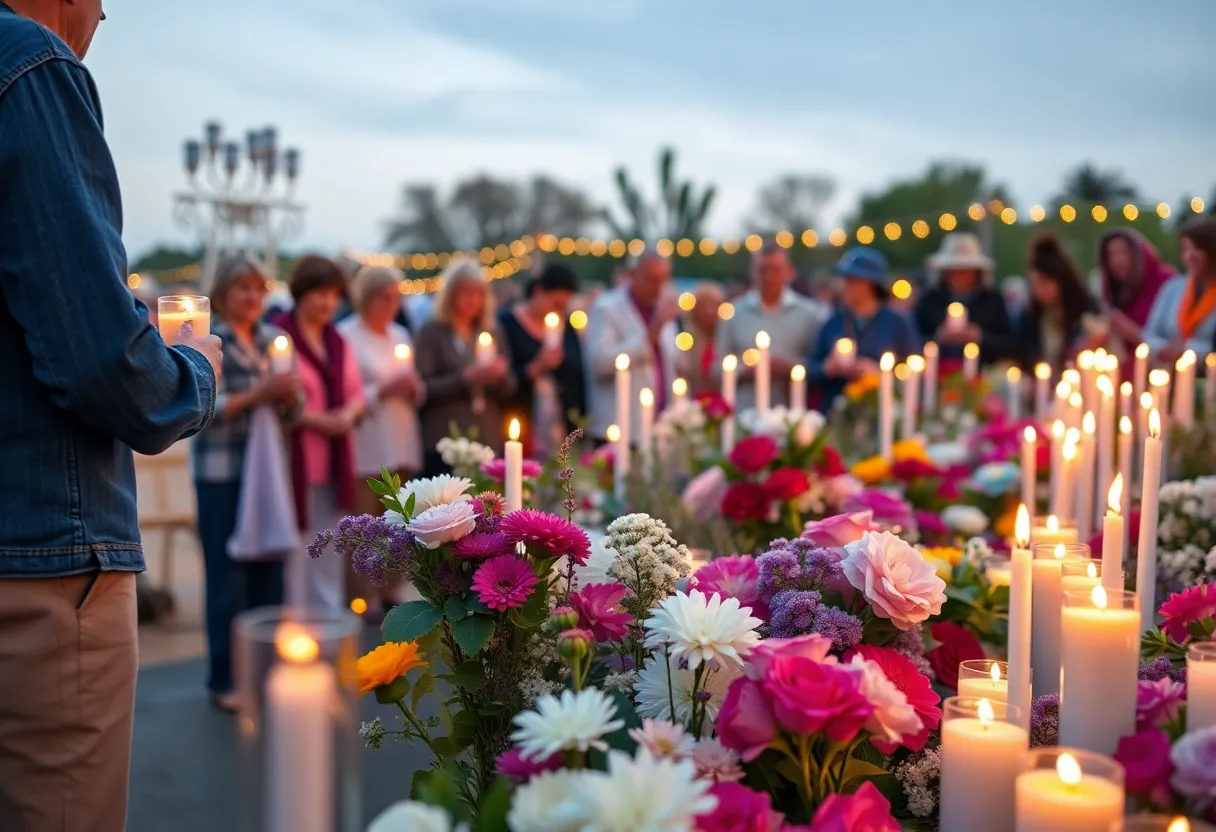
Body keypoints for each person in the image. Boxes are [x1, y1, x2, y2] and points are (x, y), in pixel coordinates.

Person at [0, 3, 221, 829]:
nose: (101, 13)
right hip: (40, 563)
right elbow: (107, 368)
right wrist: (195, 370)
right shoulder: (30, 68)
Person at [192, 257, 300, 712]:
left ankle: (266, 670)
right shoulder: (204, 340)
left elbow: (293, 414)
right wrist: (259, 395)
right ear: (223, 293)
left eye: (258, 288)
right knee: (227, 576)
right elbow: (198, 409)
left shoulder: (276, 340)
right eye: (242, 288)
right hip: (223, 472)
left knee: (270, 571)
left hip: (270, 473)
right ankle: (225, 677)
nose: (252, 297)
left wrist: (291, 399)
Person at [273, 256, 367, 610]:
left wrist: (348, 413)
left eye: (334, 295)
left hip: (336, 458)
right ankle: (295, 626)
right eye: (320, 294)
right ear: (301, 293)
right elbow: (277, 399)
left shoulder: (339, 341)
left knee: (329, 547)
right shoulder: (279, 336)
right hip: (294, 459)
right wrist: (314, 420)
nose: (328, 303)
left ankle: (327, 626)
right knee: (296, 551)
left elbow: (357, 391)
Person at [338, 266, 425, 619]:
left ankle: (391, 590)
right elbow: (348, 394)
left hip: (401, 437)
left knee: (395, 521)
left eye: (396, 297)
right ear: (366, 297)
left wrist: (416, 389)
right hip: (366, 439)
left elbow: (417, 387)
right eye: (383, 297)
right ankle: (361, 596)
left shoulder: (401, 335)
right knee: (363, 519)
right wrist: (381, 391)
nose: (391, 304)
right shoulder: (347, 336)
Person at [415, 261, 515, 472]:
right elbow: (422, 389)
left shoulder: (492, 331)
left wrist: (501, 374)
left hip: (485, 434)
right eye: (465, 293)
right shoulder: (432, 333)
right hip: (445, 437)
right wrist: (465, 379)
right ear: (450, 295)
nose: (472, 301)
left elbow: (509, 388)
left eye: (478, 294)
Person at [714, 243, 827, 409]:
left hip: (792, 414)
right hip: (745, 411)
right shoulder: (733, 312)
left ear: (789, 272)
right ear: (753, 272)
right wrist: (743, 372)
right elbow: (717, 367)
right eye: (762, 270)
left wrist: (790, 367)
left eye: (775, 270)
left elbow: (819, 365)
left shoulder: (809, 314)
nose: (769, 277)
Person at [584, 248, 679, 444]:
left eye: (663, 279)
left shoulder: (661, 308)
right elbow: (599, 362)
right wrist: (650, 335)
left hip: (658, 427)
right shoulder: (606, 308)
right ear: (633, 275)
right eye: (652, 279)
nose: (658, 287)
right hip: (619, 428)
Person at [807, 247, 921, 409]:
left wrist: (881, 374)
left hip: (883, 412)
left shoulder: (899, 323)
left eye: (852, 280)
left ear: (871, 284)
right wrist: (827, 368)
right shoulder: (832, 322)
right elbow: (810, 368)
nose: (844, 286)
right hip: (836, 412)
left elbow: (916, 370)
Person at [499, 262, 586, 456]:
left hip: (560, 423)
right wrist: (536, 367)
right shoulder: (507, 324)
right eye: (556, 304)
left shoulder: (566, 327)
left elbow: (577, 374)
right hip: (523, 419)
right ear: (539, 291)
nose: (558, 312)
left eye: (564, 306)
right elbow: (503, 380)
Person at [915, 232, 1017, 365]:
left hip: (982, 377)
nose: (958, 275)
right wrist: (937, 338)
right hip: (936, 373)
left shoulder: (993, 301)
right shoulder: (930, 300)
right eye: (953, 269)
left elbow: (1011, 344)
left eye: (964, 270)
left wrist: (980, 337)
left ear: (976, 271)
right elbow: (911, 340)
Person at [1020, 235, 1103, 371]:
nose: (1039, 290)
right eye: (1034, 284)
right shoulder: (1032, 315)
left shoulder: (1084, 308)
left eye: (1044, 283)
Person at [1142, 216, 1216, 364]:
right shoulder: (1173, 288)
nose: (1190, 256)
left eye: (1198, 248)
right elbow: (1150, 333)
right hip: (1168, 373)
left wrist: (1187, 349)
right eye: (1185, 249)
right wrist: (1163, 348)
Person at [1097, 228, 1174, 357]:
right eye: (1110, 254)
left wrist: (1133, 332)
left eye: (1123, 252)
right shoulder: (1111, 288)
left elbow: (1172, 341)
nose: (1117, 260)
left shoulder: (1166, 282)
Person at [678, 282, 725, 394]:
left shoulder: (725, 336)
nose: (710, 311)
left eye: (714, 305)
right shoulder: (684, 337)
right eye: (704, 305)